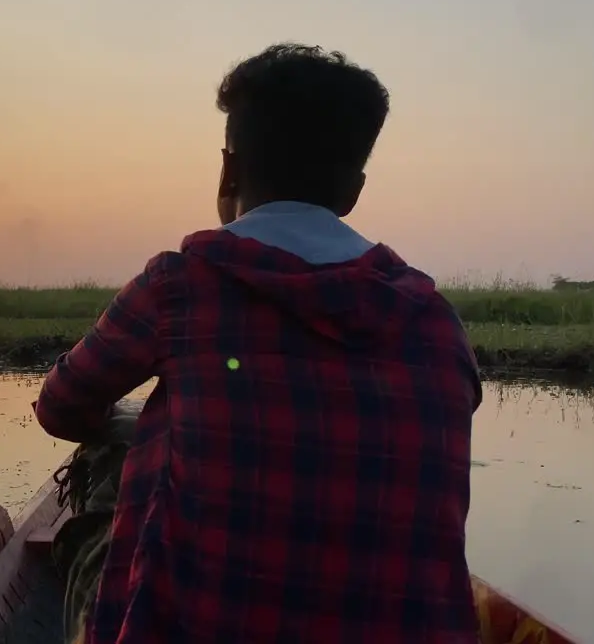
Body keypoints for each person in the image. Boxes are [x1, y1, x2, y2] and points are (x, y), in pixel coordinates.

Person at [34, 43, 482, 644]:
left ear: (229, 169)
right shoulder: (435, 322)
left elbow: (60, 407)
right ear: (353, 190)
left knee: (108, 457)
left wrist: (125, 425)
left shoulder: (179, 286)